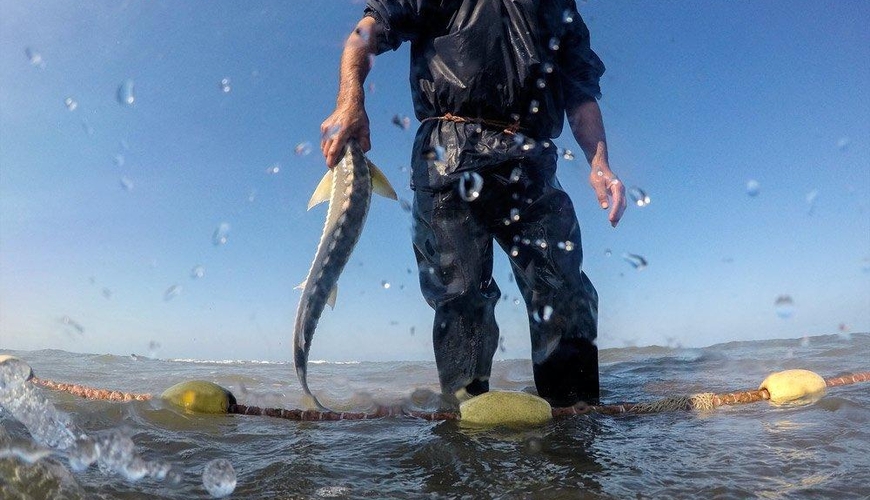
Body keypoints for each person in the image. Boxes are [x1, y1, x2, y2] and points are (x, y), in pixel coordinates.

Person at [320, 0, 626, 407]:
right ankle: (466, 422)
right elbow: (367, 32)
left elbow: (580, 91)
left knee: (563, 287)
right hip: (448, 148)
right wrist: (349, 99)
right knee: (461, 296)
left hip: (531, 155)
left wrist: (599, 163)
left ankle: (575, 421)